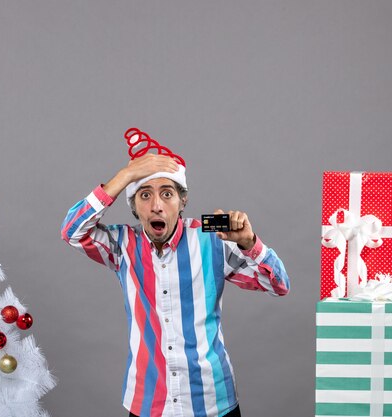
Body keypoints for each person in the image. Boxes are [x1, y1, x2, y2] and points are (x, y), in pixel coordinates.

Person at [60, 128, 290, 417]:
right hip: (147, 403)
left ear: (182, 202)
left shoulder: (211, 234)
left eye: (167, 194)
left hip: (211, 402)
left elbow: (279, 284)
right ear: (133, 206)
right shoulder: (123, 243)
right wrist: (124, 176)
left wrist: (249, 243)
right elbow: (71, 231)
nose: (157, 205)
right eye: (144, 195)